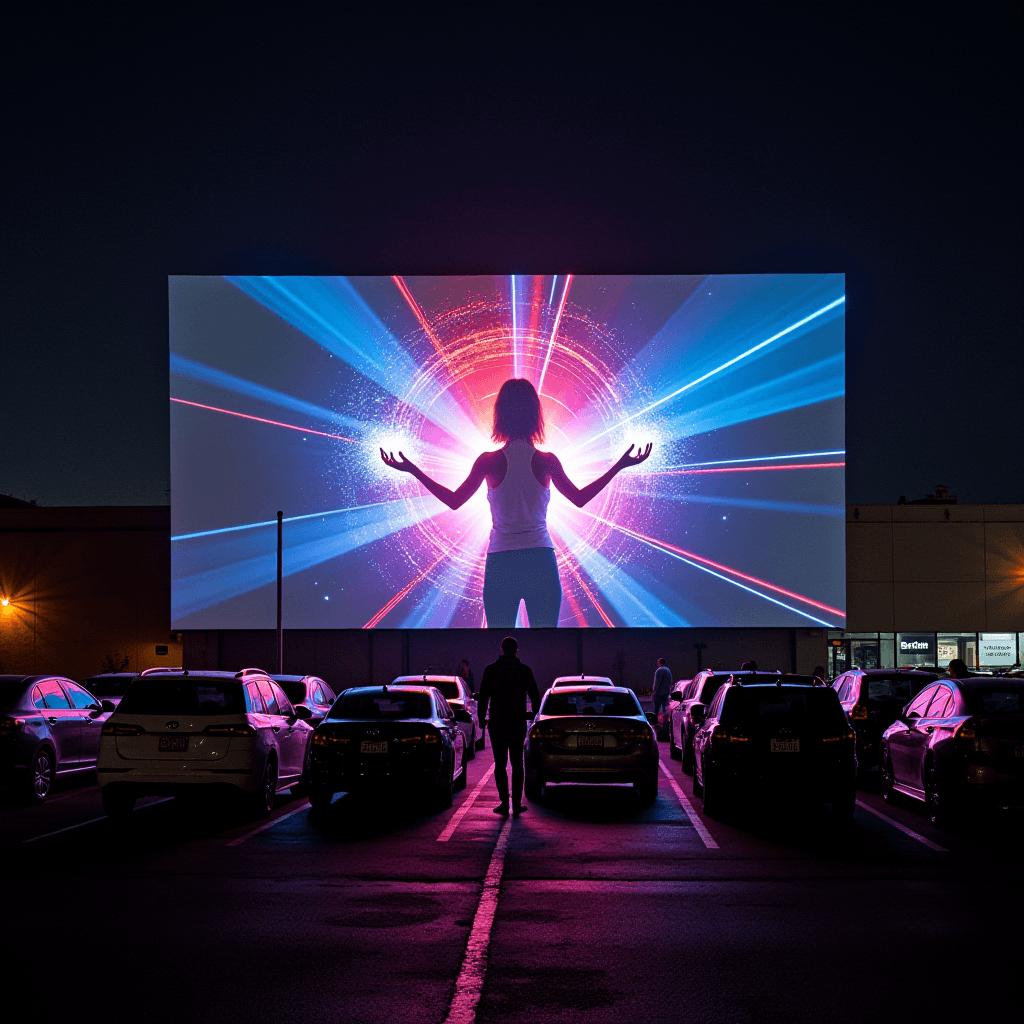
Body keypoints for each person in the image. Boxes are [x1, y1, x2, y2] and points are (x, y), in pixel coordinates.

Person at [381, 378, 652, 627]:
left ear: (501, 415)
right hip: (539, 561)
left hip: (502, 563)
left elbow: (453, 501)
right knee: (545, 643)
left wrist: (413, 470)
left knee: (501, 646)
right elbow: (580, 499)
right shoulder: (547, 461)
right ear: (535, 414)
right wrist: (620, 465)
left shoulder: (488, 461)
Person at [476, 635, 541, 815]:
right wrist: (533, 715)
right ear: (516, 650)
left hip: (497, 723)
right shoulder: (524, 670)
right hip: (517, 722)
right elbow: (536, 697)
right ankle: (517, 803)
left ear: (502, 649)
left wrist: (482, 719)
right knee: (517, 763)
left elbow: (483, 698)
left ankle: (504, 802)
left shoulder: (491, 670)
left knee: (500, 764)